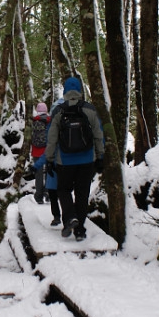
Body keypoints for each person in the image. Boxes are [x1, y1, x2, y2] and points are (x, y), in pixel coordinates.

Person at [44, 76, 104, 241]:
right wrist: (100, 157)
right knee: (82, 194)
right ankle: (80, 231)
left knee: (63, 190)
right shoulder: (90, 109)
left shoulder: (58, 111)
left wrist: (49, 159)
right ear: (79, 91)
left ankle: (70, 218)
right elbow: (99, 135)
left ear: (65, 91)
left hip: (64, 160)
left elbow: (51, 138)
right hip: (87, 160)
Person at [31, 102, 51, 203]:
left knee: (38, 174)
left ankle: (38, 196)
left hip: (36, 151)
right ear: (46, 111)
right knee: (49, 171)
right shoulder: (49, 121)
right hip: (47, 150)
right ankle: (48, 193)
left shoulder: (34, 121)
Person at [33, 153, 61, 225]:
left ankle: (57, 216)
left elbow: (49, 150)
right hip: (70, 164)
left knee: (53, 193)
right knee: (64, 192)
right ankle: (70, 217)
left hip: (53, 164)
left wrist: (36, 166)